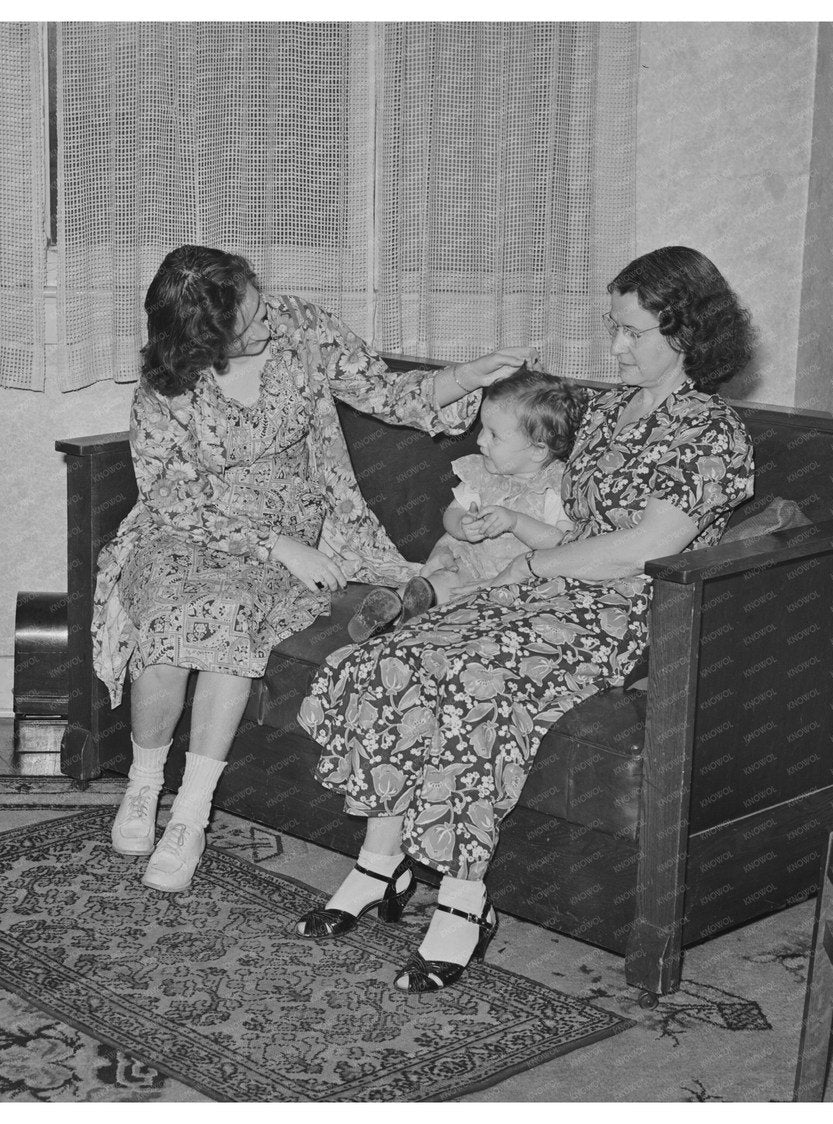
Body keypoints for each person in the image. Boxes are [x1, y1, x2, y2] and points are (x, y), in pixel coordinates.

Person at [296, 245, 755, 992]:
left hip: (624, 612)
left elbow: (647, 548)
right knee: (390, 657)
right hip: (539, 590)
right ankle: (379, 866)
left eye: (633, 333)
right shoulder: (603, 413)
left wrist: (535, 564)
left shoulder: (709, 433)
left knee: (474, 685)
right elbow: (525, 460)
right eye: (615, 327)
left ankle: (464, 902)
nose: (615, 347)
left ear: (687, 332)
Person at [93, 244, 535, 893]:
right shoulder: (168, 385)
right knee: (163, 620)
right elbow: (170, 493)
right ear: (206, 343)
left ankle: (190, 814)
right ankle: (143, 787)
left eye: (257, 296)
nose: (267, 315)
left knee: (229, 620)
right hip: (189, 528)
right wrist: (274, 546)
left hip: (298, 529)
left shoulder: (301, 329)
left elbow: (386, 391)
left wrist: (465, 375)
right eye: (248, 318)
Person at [346, 369, 585, 642]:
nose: (480, 440)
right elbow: (452, 513)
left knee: (460, 598)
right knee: (441, 581)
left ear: (537, 449)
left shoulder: (557, 487)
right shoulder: (484, 473)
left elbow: (563, 545)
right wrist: (462, 526)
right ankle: (390, 606)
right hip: (466, 562)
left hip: (512, 580)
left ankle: (413, 618)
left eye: (494, 435)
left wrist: (516, 522)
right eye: (483, 428)